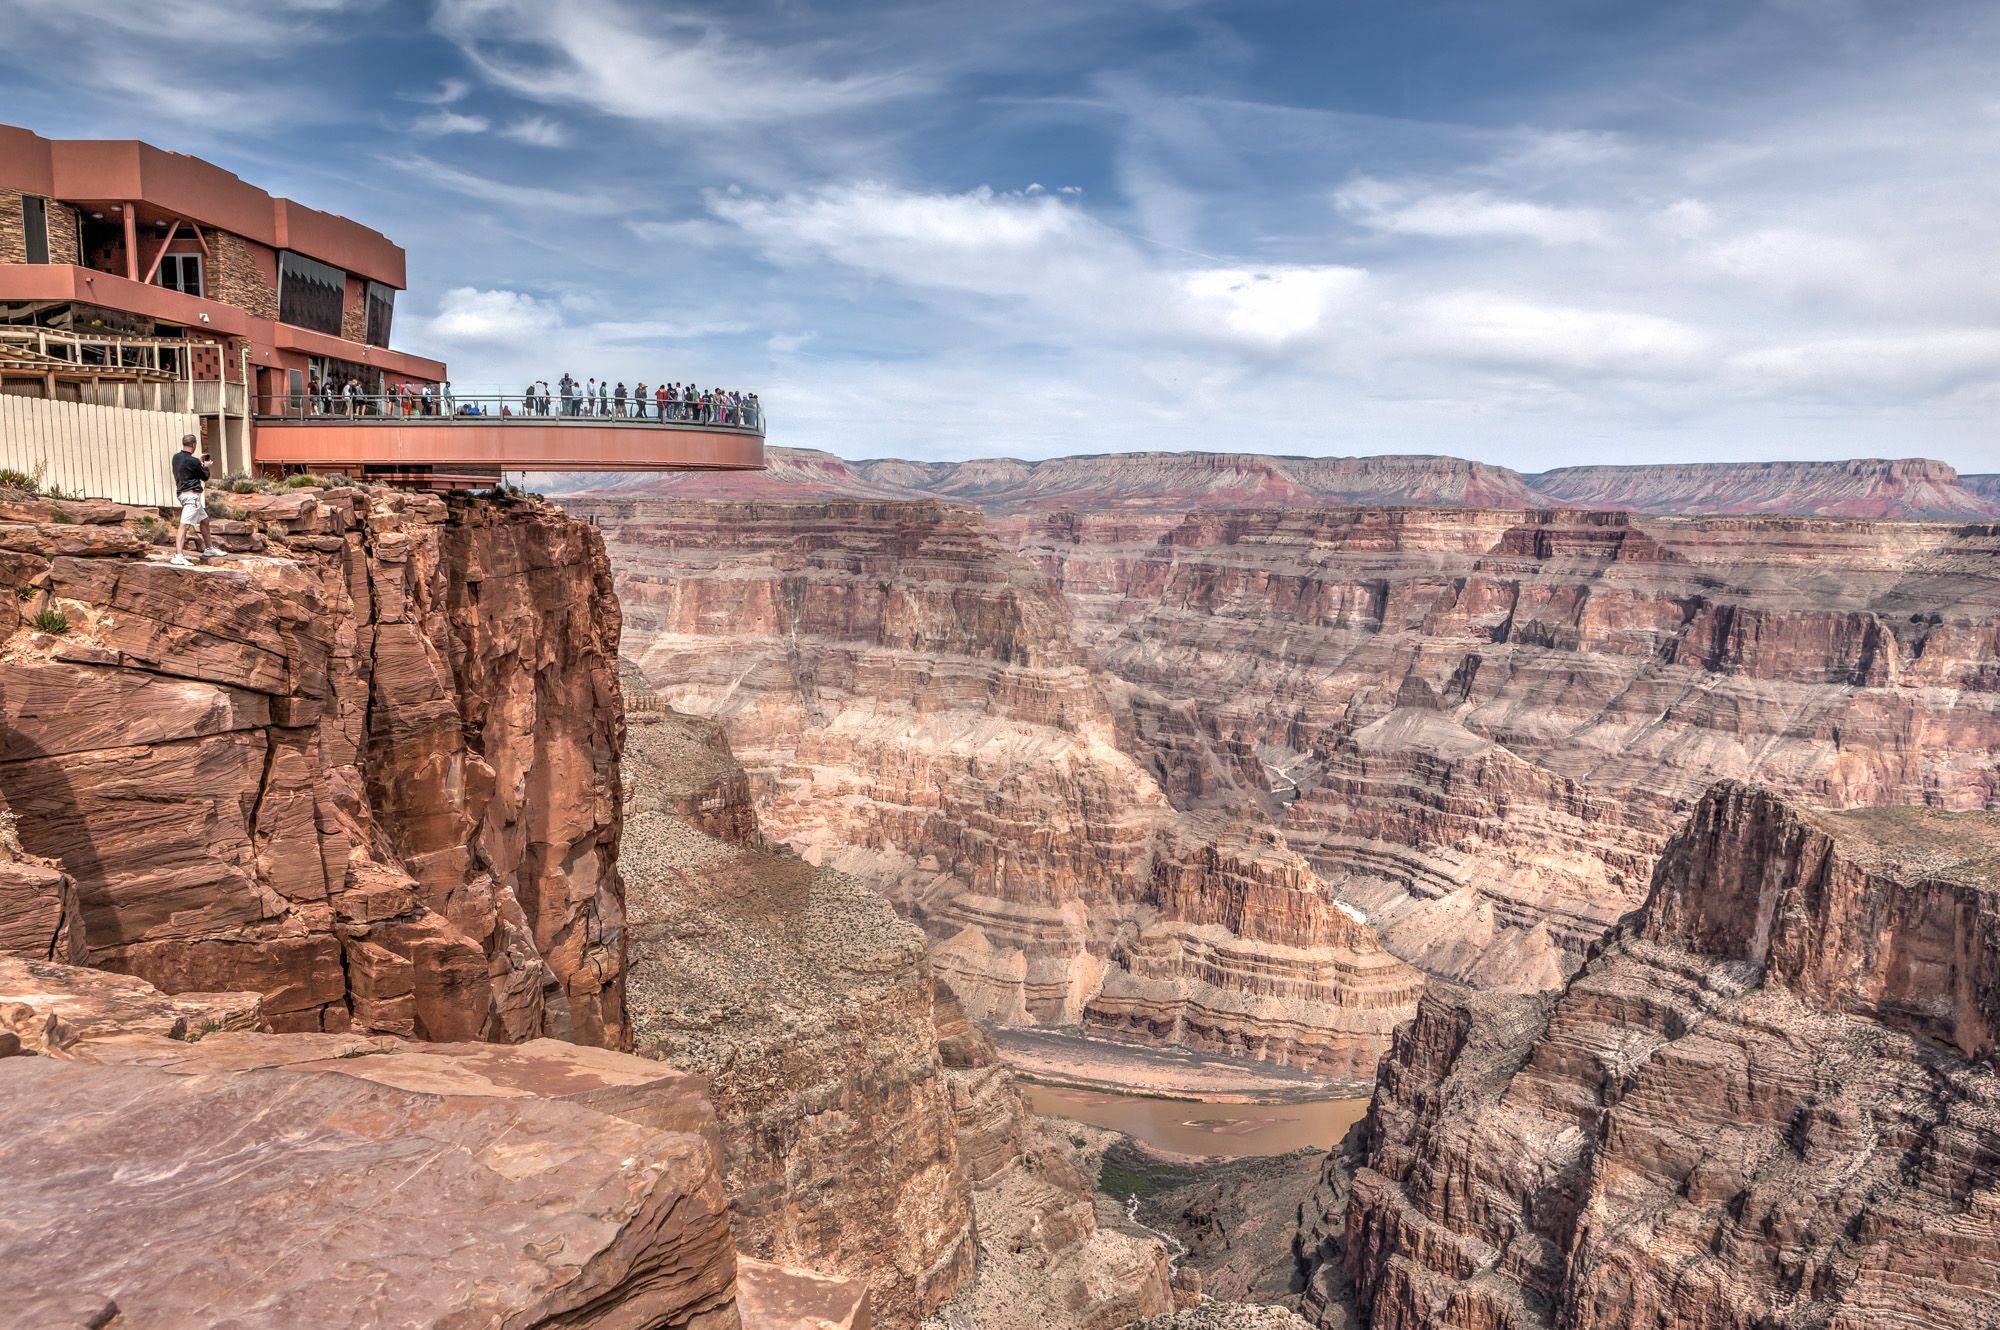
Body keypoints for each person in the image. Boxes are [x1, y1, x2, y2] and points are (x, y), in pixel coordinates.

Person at [168, 434, 221, 568]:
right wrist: (206, 466)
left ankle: (209, 549)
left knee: (204, 520)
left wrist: (199, 464)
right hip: (192, 496)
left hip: (182, 494)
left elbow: (188, 470)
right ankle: (178, 556)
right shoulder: (193, 461)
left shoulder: (176, 457)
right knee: (184, 525)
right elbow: (205, 477)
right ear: (194, 445)